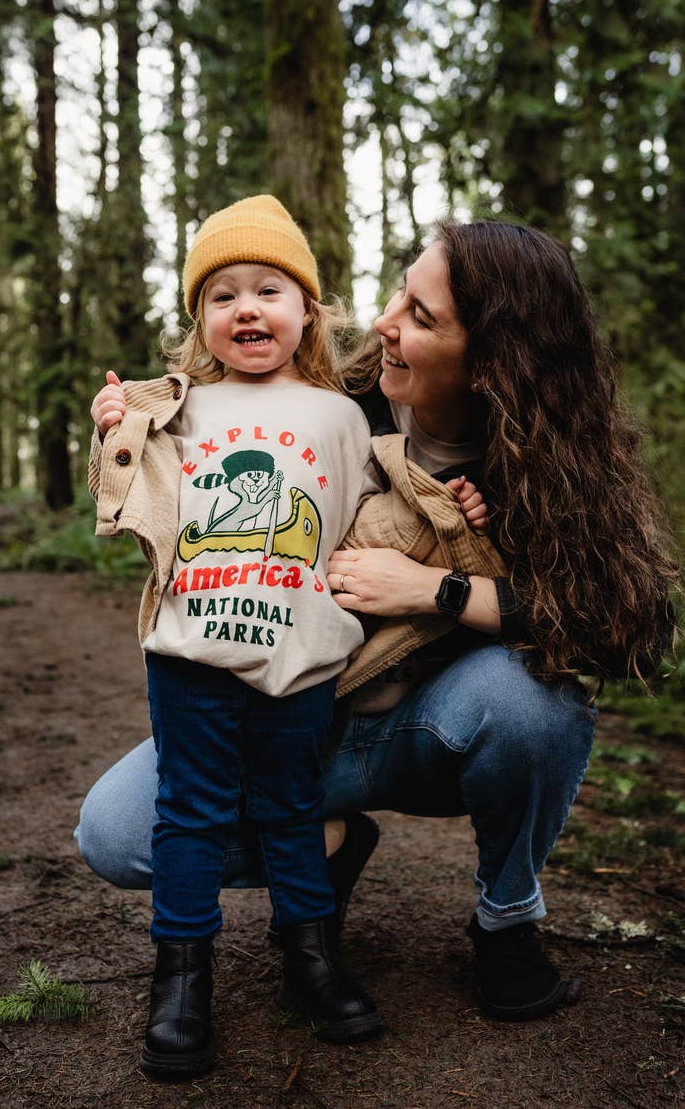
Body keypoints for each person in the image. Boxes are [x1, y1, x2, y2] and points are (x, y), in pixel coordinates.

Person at [79, 217, 676, 1031]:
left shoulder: (542, 463)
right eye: (400, 292)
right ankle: (323, 848)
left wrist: (439, 590)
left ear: (493, 361)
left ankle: (506, 921)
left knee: (535, 703)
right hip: (298, 713)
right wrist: (124, 429)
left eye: (421, 316)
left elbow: (630, 626)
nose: (386, 322)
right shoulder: (340, 401)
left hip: (435, 730)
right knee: (117, 834)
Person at [86, 195, 497, 1076]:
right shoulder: (180, 408)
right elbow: (118, 496)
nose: (247, 309)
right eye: (222, 294)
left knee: (292, 809)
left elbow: (384, 517)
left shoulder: (341, 417)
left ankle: (311, 959)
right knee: (189, 814)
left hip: (303, 659)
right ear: (200, 319)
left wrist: (451, 508)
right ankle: (181, 979)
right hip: (190, 655)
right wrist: (115, 425)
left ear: (307, 311)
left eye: (268, 290)